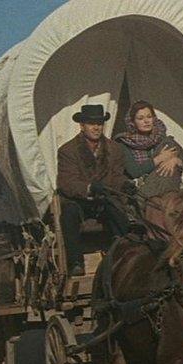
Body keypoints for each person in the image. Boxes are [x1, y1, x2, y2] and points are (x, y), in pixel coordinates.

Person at [57, 104, 134, 276]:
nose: (96, 127)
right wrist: (89, 188)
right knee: (69, 213)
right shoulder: (68, 151)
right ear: (82, 126)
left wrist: (124, 184)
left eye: (99, 123)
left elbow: (116, 176)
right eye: (91, 123)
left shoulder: (114, 149)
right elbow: (67, 183)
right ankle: (76, 263)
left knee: (118, 212)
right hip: (79, 200)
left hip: (104, 199)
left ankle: (120, 257)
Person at [115, 100, 183, 200]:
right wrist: (159, 158)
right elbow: (134, 172)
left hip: (165, 189)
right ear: (133, 122)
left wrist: (176, 160)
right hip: (138, 192)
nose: (146, 121)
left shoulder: (162, 140)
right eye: (140, 118)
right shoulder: (125, 143)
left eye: (149, 117)